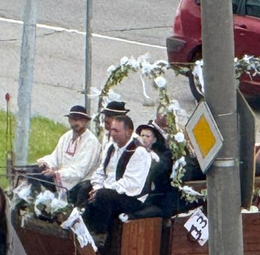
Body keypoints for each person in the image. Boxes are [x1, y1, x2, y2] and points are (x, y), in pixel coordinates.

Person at [82, 114, 152, 242]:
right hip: (111, 190)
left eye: (116, 131)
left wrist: (102, 190)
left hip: (132, 197)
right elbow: (100, 172)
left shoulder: (139, 152)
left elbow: (131, 183)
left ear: (128, 132)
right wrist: (97, 187)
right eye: (111, 130)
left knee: (103, 195)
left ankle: (100, 235)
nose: (112, 133)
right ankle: (81, 229)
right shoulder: (111, 147)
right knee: (85, 187)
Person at [35, 104, 101, 196]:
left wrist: (57, 173)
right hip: (61, 178)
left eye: (80, 120)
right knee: (34, 172)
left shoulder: (91, 141)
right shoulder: (66, 137)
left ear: (85, 121)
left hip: (80, 181)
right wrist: (46, 164)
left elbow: (81, 170)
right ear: (69, 120)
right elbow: (55, 157)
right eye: (73, 119)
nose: (76, 123)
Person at [136, 122, 179, 217]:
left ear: (154, 140)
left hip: (155, 196)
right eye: (142, 135)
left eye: (148, 136)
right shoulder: (134, 153)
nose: (144, 138)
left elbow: (158, 170)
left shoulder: (162, 155)